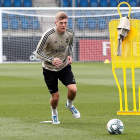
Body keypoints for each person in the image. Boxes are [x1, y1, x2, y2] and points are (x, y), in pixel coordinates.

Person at [36, 11, 80, 124]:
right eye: (61, 23)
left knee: (73, 89)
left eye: (65, 22)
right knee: (55, 98)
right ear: (56, 23)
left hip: (64, 66)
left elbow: (70, 45)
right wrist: (51, 60)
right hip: (49, 69)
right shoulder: (48, 35)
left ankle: (69, 105)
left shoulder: (70, 33)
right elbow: (38, 52)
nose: (64, 25)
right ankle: (54, 112)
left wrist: (70, 55)